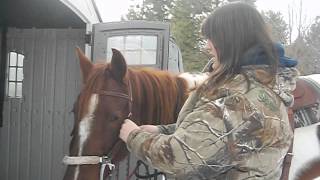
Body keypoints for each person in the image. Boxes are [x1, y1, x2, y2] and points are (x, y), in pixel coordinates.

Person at [120, 2, 299, 179]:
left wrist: (133, 135)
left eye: (211, 38)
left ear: (230, 40)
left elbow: (179, 158)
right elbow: (223, 134)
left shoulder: (240, 100)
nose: (207, 46)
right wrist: (163, 131)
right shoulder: (257, 88)